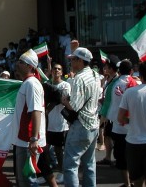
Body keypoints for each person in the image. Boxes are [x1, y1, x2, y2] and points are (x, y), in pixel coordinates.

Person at [61, 47, 101, 187]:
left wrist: (65, 100)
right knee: (89, 165)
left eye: (73, 59)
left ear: (80, 60)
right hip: (94, 123)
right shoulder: (96, 75)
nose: (71, 61)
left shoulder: (79, 78)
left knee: (70, 165)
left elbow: (74, 106)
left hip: (81, 124)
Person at [101, 59, 138, 187]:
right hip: (133, 127)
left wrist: (102, 120)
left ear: (118, 70)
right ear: (131, 70)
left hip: (118, 126)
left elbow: (107, 104)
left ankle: (127, 183)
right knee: (133, 156)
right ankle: (134, 182)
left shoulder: (113, 84)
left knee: (121, 157)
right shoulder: (136, 83)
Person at [12, 49, 46, 187]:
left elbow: (36, 111)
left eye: (22, 62)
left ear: (30, 66)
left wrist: (33, 140)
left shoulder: (31, 84)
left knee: (27, 180)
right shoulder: (27, 83)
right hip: (24, 140)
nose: (18, 64)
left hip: (28, 141)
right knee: (24, 180)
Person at [46, 63, 71, 184]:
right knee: (44, 149)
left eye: (59, 69)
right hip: (47, 122)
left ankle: (62, 171)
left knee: (58, 149)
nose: (56, 70)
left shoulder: (65, 85)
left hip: (60, 123)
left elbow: (63, 99)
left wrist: (54, 99)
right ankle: (45, 173)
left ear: (62, 72)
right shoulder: (47, 84)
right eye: (55, 68)